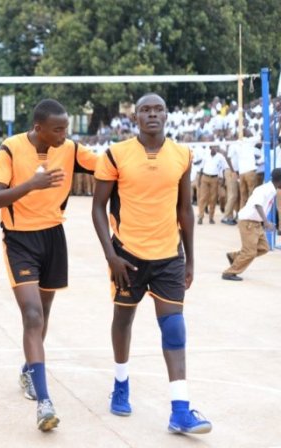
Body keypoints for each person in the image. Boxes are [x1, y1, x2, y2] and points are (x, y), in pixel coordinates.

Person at [92, 93, 212, 435]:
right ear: (135, 118)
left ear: (167, 115)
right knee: (123, 319)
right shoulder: (116, 154)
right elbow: (98, 207)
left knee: (174, 328)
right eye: (145, 110)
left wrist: (190, 258)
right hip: (127, 256)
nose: (152, 114)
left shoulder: (182, 155)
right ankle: (121, 383)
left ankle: (180, 410)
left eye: (158, 109)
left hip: (168, 256)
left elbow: (185, 210)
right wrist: (111, 255)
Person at [0, 99, 98, 432]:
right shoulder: (10, 149)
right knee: (33, 314)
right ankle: (44, 402)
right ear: (39, 128)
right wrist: (30, 185)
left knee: (43, 314)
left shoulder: (70, 149)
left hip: (53, 236)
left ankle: (28, 370)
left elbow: (107, 166)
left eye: (66, 128)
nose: (64, 135)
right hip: (20, 239)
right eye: (58, 129)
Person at [222, 168, 281, 281]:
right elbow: (257, 204)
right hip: (248, 222)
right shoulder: (265, 189)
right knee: (249, 252)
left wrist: (263, 222)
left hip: (256, 222)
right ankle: (229, 273)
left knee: (264, 248)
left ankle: (234, 257)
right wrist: (266, 222)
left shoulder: (271, 189)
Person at [197, 144, 231, 225]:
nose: (215, 148)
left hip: (215, 178)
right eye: (213, 147)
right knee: (203, 197)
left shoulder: (220, 157)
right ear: (210, 148)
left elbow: (224, 168)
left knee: (213, 198)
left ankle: (211, 218)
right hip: (205, 177)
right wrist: (199, 180)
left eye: (216, 147)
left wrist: (223, 179)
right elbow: (201, 168)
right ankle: (201, 217)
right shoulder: (206, 155)